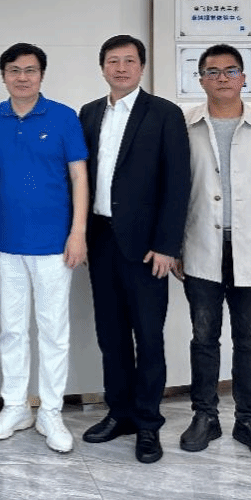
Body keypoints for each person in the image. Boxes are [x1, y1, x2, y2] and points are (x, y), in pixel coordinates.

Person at [176, 43, 251, 462]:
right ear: (201, 80)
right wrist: (174, 247)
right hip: (200, 250)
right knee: (203, 337)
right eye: (212, 71)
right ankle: (205, 416)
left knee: (250, 340)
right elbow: (175, 193)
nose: (222, 78)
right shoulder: (185, 126)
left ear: (243, 78)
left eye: (230, 71)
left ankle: (249, 420)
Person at [79, 34, 190, 464]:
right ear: (102, 67)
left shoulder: (164, 114)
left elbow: (177, 183)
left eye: (129, 61)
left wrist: (167, 245)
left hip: (147, 249)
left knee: (148, 337)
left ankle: (148, 423)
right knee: (110, 336)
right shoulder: (89, 113)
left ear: (142, 67)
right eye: (113, 61)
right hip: (101, 240)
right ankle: (119, 413)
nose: (121, 68)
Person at [0, 42, 89, 454]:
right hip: (5, 241)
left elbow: (79, 177)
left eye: (30, 70)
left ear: (42, 75)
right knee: (11, 329)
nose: (22, 77)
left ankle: (51, 411)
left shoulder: (63, 117)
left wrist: (78, 233)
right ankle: (15, 407)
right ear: (3, 75)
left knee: (53, 330)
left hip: (54, 244)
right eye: (14, 70)